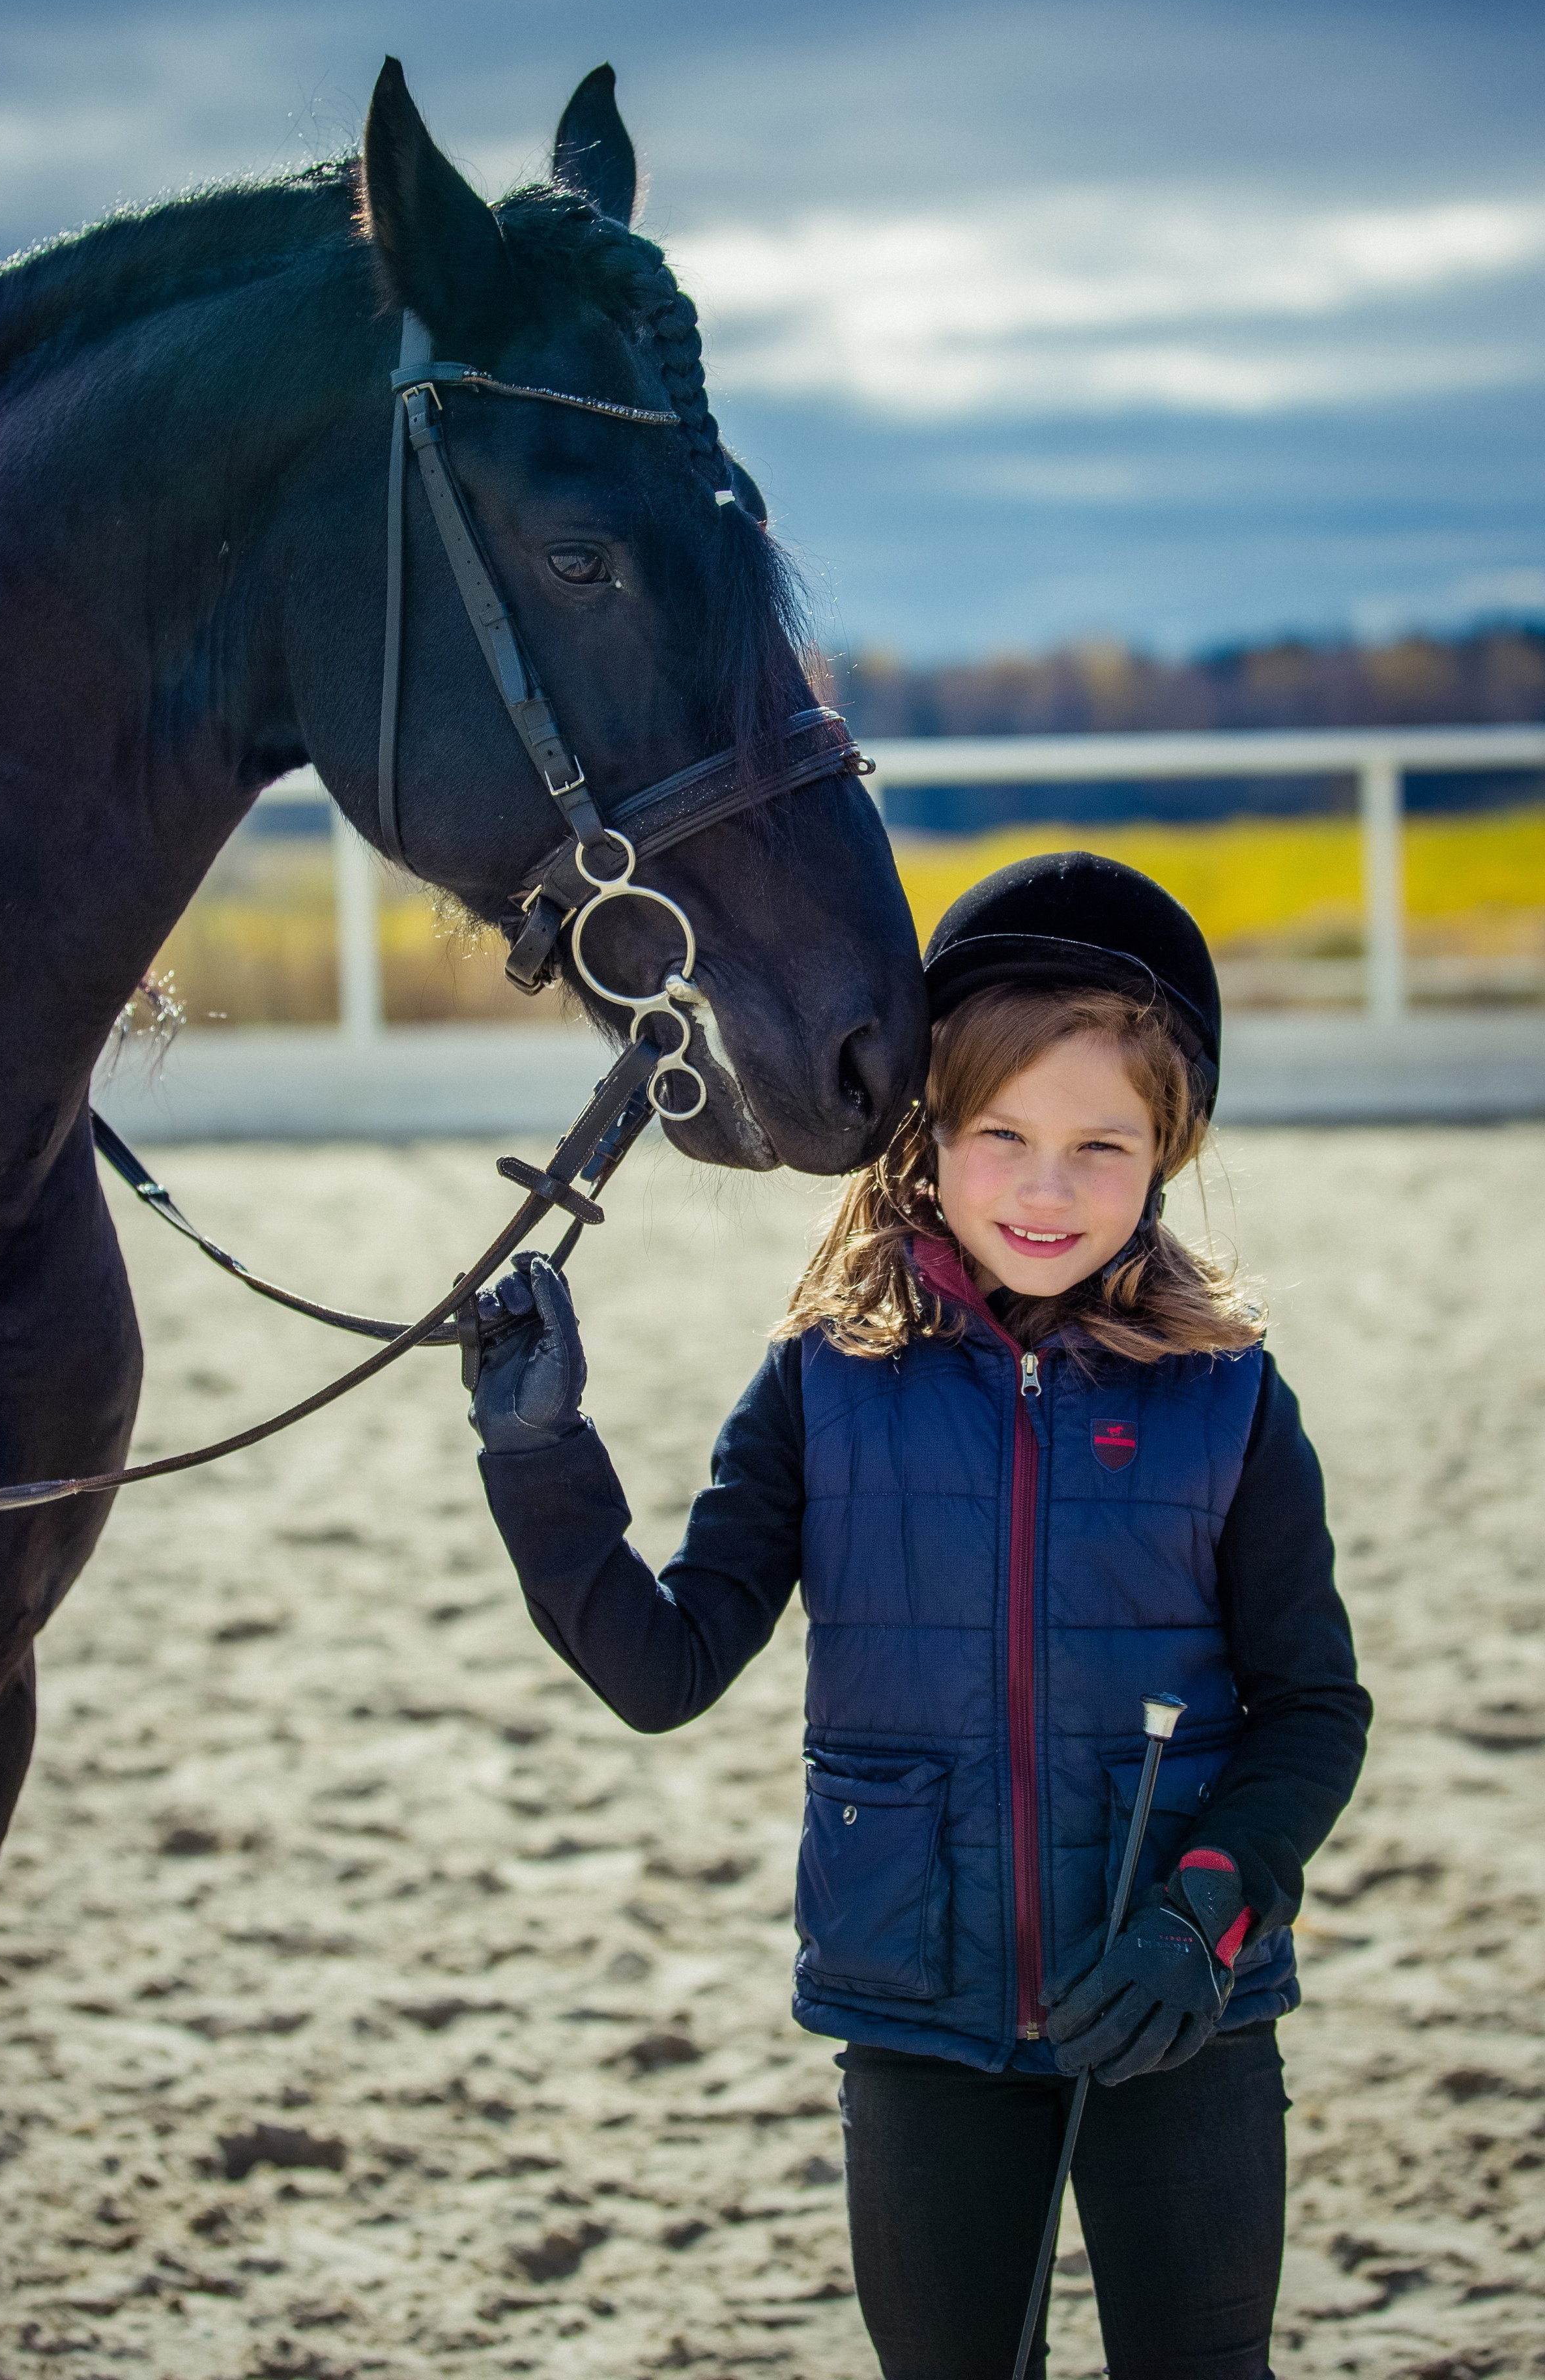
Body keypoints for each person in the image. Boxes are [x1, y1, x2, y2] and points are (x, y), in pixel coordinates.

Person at [466, 852, 1370, 2380]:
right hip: (919, 2022)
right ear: (927, 1138)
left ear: (1168, 1150)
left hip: (1176, 2015)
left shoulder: (1227, 1398)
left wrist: (1200, 1915)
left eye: (1101, 1145)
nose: (1042, 1187)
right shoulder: (824, 1382)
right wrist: (538, 1455)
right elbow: (664, 1666)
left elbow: (1311, 1712)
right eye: (1001, 1133)